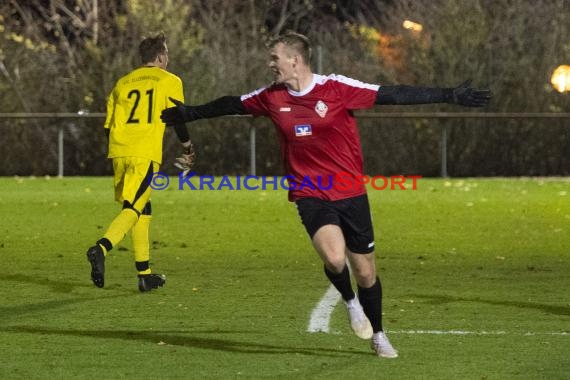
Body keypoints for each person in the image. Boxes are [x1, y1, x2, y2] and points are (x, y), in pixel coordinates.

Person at [160, 32, 491, 357]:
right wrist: (191, 113)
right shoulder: (272, 97)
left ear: (295, 60)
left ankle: (378, 334)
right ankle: (350, 302)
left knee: (366, 272)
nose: (270, 64)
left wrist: (448, 94)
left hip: (350, 192)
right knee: (334, 258)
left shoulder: (337, 89)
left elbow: (393, 93)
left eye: (274, 58)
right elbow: (232, 104)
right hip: (309, 192)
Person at [86, 32, 195, 292]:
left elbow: (107, 127)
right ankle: (101, 248)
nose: (168, 58)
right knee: (133, 208)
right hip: (144, 153)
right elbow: (176, 117)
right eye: (166, 53)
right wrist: (187, 146)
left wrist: (120, 149)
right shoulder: (169, 80)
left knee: (142, 207)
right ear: (160, 56)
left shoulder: (122, 83)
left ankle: (144, 274)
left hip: (119, 151)